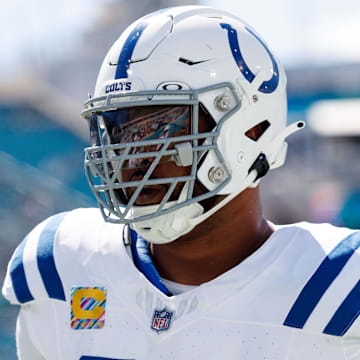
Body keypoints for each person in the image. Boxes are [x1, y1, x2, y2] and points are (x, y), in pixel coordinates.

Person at [3, 5, 360, 360]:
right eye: (119, 132)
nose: (131, 159)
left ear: (252, 130)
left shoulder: (339, 289)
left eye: (160, 129)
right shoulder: (62, 266)